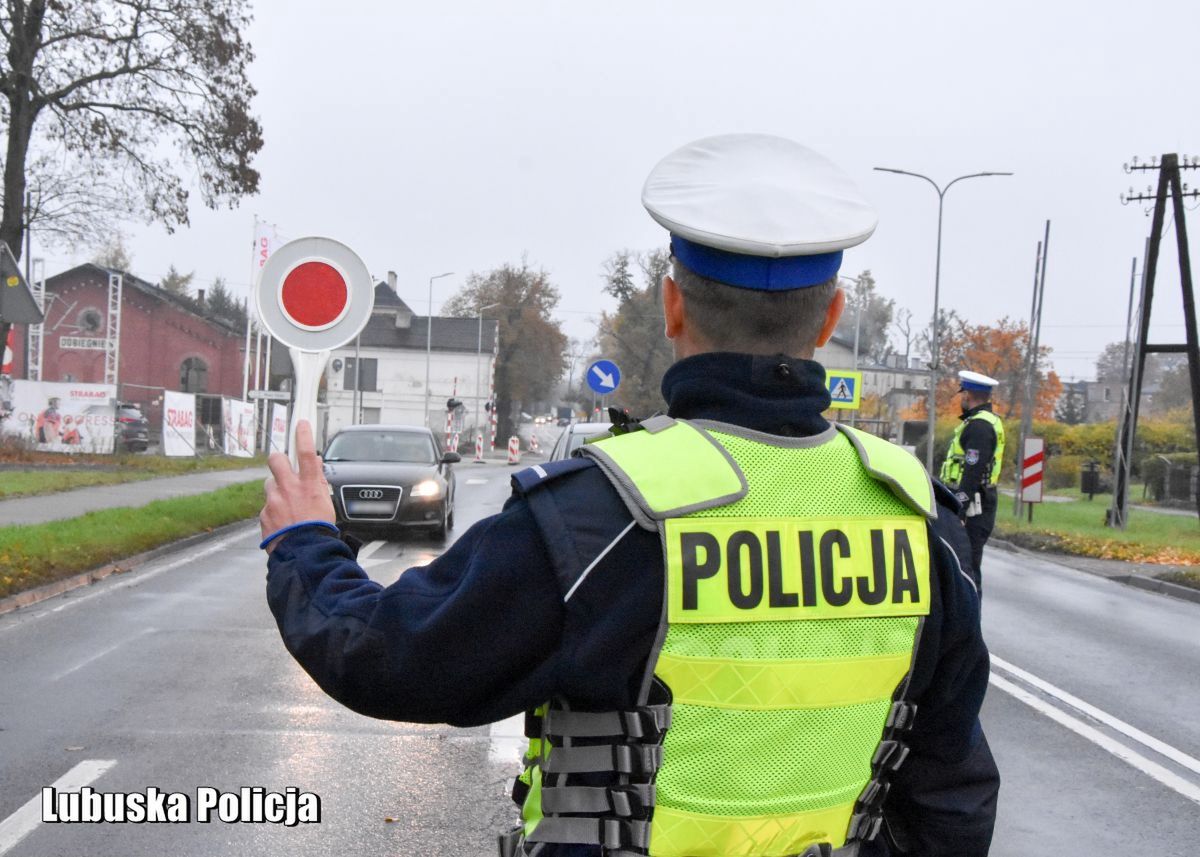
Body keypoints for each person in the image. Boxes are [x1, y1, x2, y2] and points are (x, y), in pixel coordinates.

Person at [261, 134, 998, 857]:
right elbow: (950, 796)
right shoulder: (917, 519)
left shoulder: (605, 514)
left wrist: (304, 545)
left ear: (672, 306)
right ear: (832, 317)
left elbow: (390, 656)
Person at [939, 371, 1005, 586]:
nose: (962, 399)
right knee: (965, 563)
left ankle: (970, 616)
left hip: (974, 506)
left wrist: (960, 507)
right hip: (978, 501)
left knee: (967, 566)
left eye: (962, 394)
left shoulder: (979, 427)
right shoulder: (986, 421)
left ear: (967, 394)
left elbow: (972, 471)